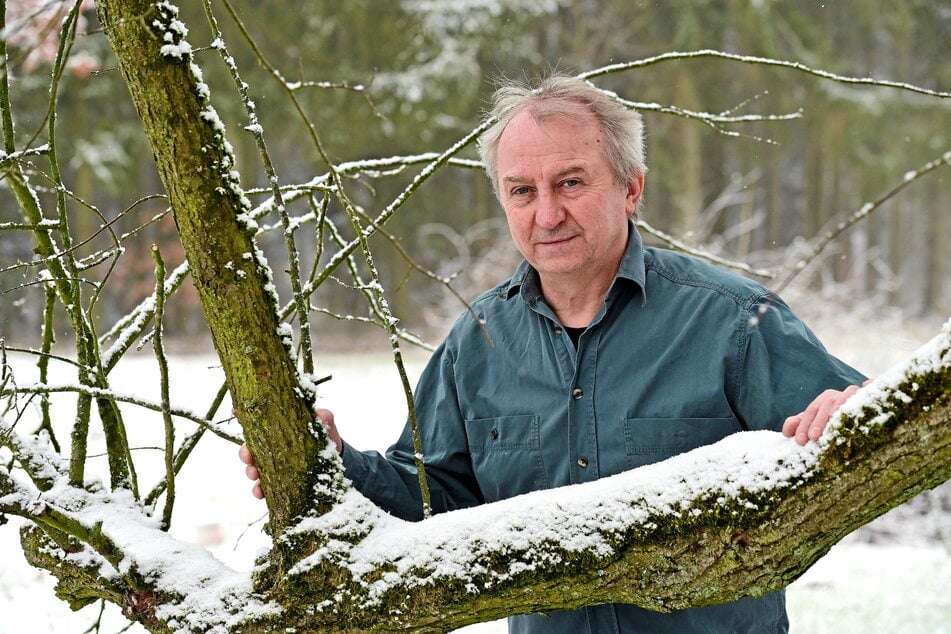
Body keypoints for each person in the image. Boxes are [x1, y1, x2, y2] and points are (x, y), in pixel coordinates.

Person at [240, 74, 866, 633]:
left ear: (631, 188)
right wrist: (334, 461)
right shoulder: (478, 343)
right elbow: (430, 500)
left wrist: (851, 410)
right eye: (521, 190)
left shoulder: (730, 321)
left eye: (570, 182)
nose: (547, 213)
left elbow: (865, 429)